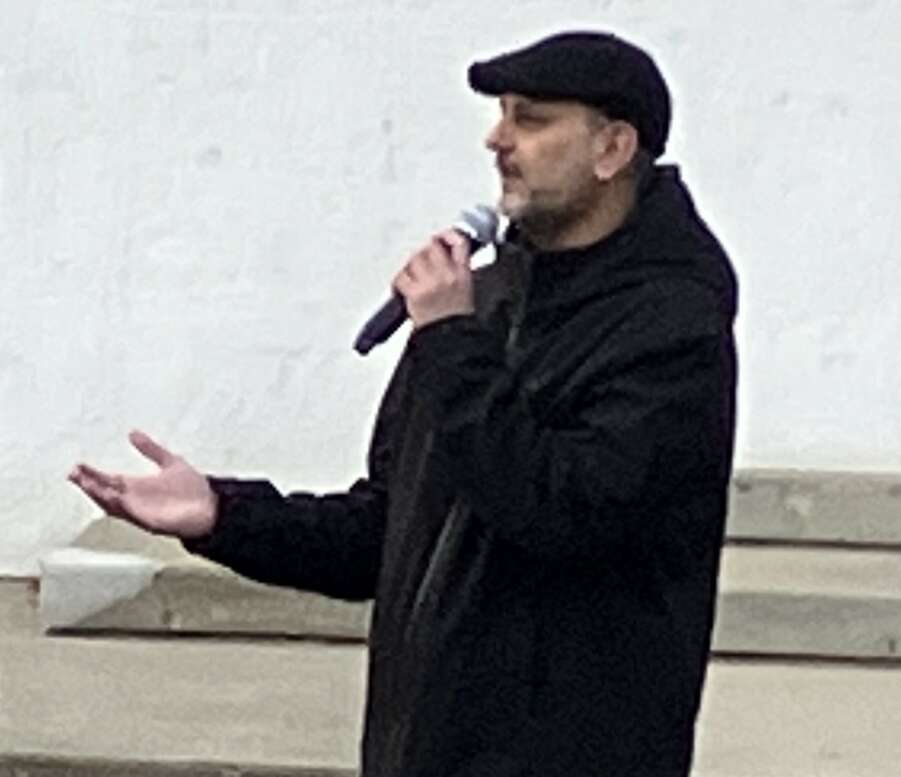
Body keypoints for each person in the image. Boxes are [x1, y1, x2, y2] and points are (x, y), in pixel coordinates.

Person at [69, 30, 738, 777]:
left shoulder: (670, 326)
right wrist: (223, 514)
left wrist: (451, 342)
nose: (497, 139)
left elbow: (563, 509)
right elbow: (388, 531)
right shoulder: (478, 305)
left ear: (612, 148)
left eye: (531, 118)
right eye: (500, 115)